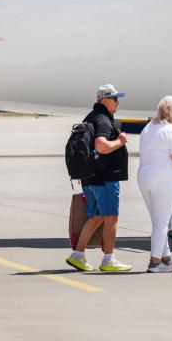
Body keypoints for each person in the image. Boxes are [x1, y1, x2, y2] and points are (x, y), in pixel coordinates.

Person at [66, 84, 132, 273]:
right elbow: (101, 146)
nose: (117, 103)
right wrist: (120, 141)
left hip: (90, 178)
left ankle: (77, 255)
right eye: (115, 99)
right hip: (105, 179)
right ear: (104, 100)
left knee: (96, 217)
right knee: (111, 218)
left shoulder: (91, 117)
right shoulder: (103, 120)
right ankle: (108, 260)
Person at [137, 96, 172, 273]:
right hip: (163, 178)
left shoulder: (148, 127)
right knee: (162, 222)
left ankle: (166, 257)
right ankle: (155, 262)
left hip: (144, 175)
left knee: (157, 220)